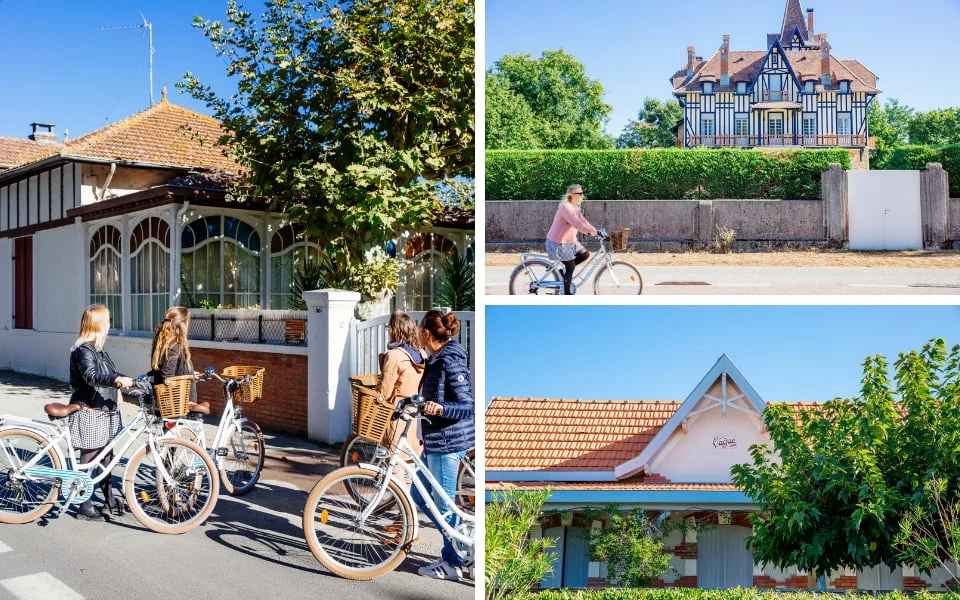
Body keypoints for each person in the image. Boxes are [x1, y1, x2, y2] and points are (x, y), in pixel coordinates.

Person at [414, 310, 475, 581]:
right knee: (418, 495)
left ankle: (452, 562)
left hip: (448, 442)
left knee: (443, 506)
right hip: (434, 440)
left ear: (427, 333)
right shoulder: (435, 359)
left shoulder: (450, 361)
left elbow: (466, 406)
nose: (416, 333)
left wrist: (440, 408)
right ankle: (460, 542)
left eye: (419, 330)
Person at [68, 305, 133, 520]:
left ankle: (109, 499)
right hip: (90, 411)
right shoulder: (83, 350)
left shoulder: (98, 349)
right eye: (107, 320)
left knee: (106, 458)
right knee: (89, 459)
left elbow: (109, 373)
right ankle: (83, 506)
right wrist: (115, 381)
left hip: (104, 410)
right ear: (98, 323)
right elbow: (91, 376)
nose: (109, 324)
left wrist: (131, 381)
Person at [378, 311, 425, 463]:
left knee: (394, 461)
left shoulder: (394, 355)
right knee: (412, 462)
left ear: (394, 330)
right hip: (417, 412)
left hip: (398, 412)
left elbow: (384, 390)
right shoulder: (422, 354)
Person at [545, 183, 598, 295]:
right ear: (571, 195)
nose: (582, 195)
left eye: (582, 193)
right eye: (579, 193)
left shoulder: (575, 208)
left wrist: (596, 231)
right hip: (558, 242)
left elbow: (583, 221)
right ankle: (567, 294)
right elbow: (576, 223)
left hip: (569, 242)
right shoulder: (565, 207)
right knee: (570, 266)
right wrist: (589, 232)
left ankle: (562, 273)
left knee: (584, 254)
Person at [149, 306, 202, 410]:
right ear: (183, 323)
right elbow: (168, 377)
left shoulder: (165, 342)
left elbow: (172, 368)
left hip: (174, 402)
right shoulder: (174, 345)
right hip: (178, 403)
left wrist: (190, 373)